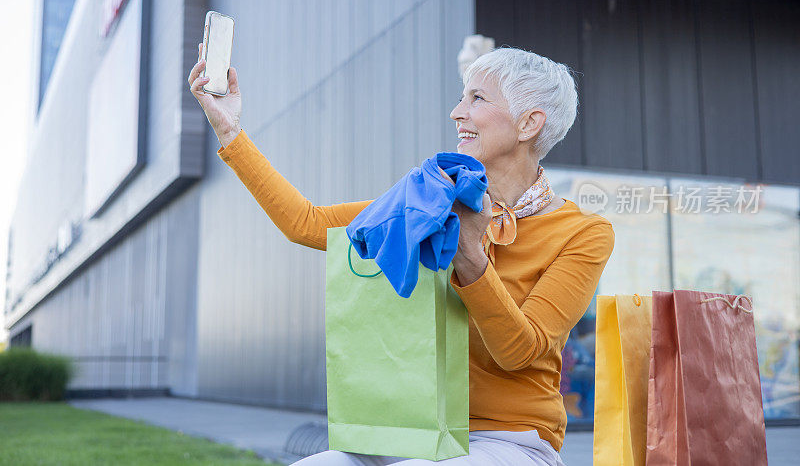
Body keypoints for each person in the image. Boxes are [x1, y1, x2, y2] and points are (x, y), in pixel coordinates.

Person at [187, 44, 614, 466]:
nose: (456, 112)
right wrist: (230, 133)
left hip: (511, 439)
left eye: (477, 98)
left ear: (529, 124)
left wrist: (469, 255)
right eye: (462, 97)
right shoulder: (432, 198)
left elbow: (521, 352)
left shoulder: (583, 233)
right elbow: (307, 223)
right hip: (412, 428)